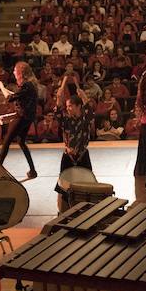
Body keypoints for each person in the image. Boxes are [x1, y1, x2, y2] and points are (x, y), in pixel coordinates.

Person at [54, 74, 95, 211]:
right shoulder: (66, 120)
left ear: (78, 106)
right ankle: (62, 212)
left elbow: (89, 107)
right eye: (67, 106)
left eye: (70, 106)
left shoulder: (86, 119)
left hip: (82, 155)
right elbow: (58, 111)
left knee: (89, 184)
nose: (68, 108)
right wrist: (59, 96)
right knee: (62, 186)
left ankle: (88, 210)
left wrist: (83, 95)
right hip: (68, 156)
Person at [0, 61, 38, 178]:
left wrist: (1, 86)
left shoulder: (27, 85)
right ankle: (33, 171)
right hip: (27, 118)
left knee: (6, 141)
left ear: (20, 73)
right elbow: (16, 96)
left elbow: (10, 98)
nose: (13, 72)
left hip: (23, 118)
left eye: (15, 70)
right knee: (21, 141)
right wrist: (3, 88)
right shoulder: (29, 85)